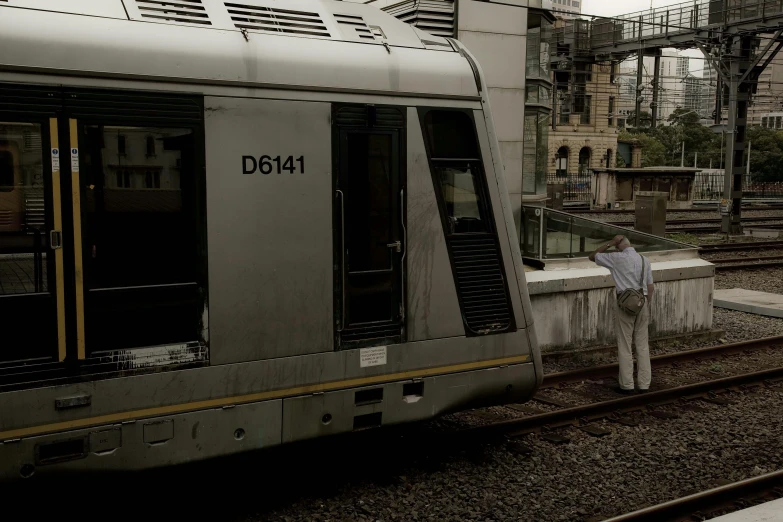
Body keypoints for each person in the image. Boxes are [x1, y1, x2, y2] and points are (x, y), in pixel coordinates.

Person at [589, 235, 654, 395]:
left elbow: (592, 256)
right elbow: (650, 287)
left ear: (619, 246)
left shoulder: (615, 258)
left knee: (625, 344)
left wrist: (610, 243)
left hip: (624, 305)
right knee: (642, 345)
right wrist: (644, 304)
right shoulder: (644, 260)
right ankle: (644, 384)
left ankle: (627, 385)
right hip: (642, 302)